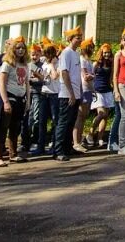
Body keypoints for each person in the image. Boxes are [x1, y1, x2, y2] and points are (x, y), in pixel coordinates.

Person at [0, 38, 31, 167]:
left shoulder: (25, 65)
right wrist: (5, 102)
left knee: (15, 128)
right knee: (2, 127)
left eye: (22, 48)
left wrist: (28, 101)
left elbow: (26, 84)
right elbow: (1, 83)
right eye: (18, 48)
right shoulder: (7, 63)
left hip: (21, 99)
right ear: (12, 49)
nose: (20, 50)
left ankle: (13, 154)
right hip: (9, 98)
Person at [54, 27, 84, 161]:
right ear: (71, 39)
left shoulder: (76, 54)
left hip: (76, 93)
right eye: (77, 37)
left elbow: (77, 74)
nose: (80, 39)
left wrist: (79, 93)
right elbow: (64, 73)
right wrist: (71, 93)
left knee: (71, 122)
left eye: (80, 37)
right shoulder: (66, 53)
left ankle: (67, 147)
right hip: (67, 94)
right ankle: (58, 150)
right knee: (63, 122)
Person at [91, 43, 115, 148]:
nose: (107, 54)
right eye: (105, 52)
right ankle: (90, 134)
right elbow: (91, 76)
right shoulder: (96, 64)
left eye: (108, 52)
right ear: (101, 53)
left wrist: (113, 87)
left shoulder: (111, 63)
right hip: (97, 90)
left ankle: (100, 138)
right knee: (101, 113)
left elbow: (111, 77)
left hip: (107, 91)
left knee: (105, 116)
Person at [38, 43, 60, 156]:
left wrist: (51, 66)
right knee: (42, 121)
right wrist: (38, 76)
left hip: (54, 94)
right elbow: (44, 78)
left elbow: (55, 76)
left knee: (55, 121)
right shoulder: (44, 63)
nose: (45, 57)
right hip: (44, 93)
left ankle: (54, 146)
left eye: (47, 54)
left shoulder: (59, 63)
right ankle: (40, 146)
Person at [74, 37, 95, 152]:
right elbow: (86, 77)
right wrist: (92, 76)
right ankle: (76, 142)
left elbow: (90, 76)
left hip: (89, 90)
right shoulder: (82, 60)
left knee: (84, 116)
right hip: (83, 89)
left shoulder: (89, 61)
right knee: (80, 116)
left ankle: (79, 140)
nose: (92, 49)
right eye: (90, 46)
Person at [27, 41, 46, 154]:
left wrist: (33, 80)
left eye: (36, 54)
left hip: (38, 93)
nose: (34, 56)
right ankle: (27, 141)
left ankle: (35, 140)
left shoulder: (42, 66)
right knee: (29, 118)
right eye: (32, 54)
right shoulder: (28, 65)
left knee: (36, 117)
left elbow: (43, 80)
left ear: (40, 55)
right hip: (29, 93)